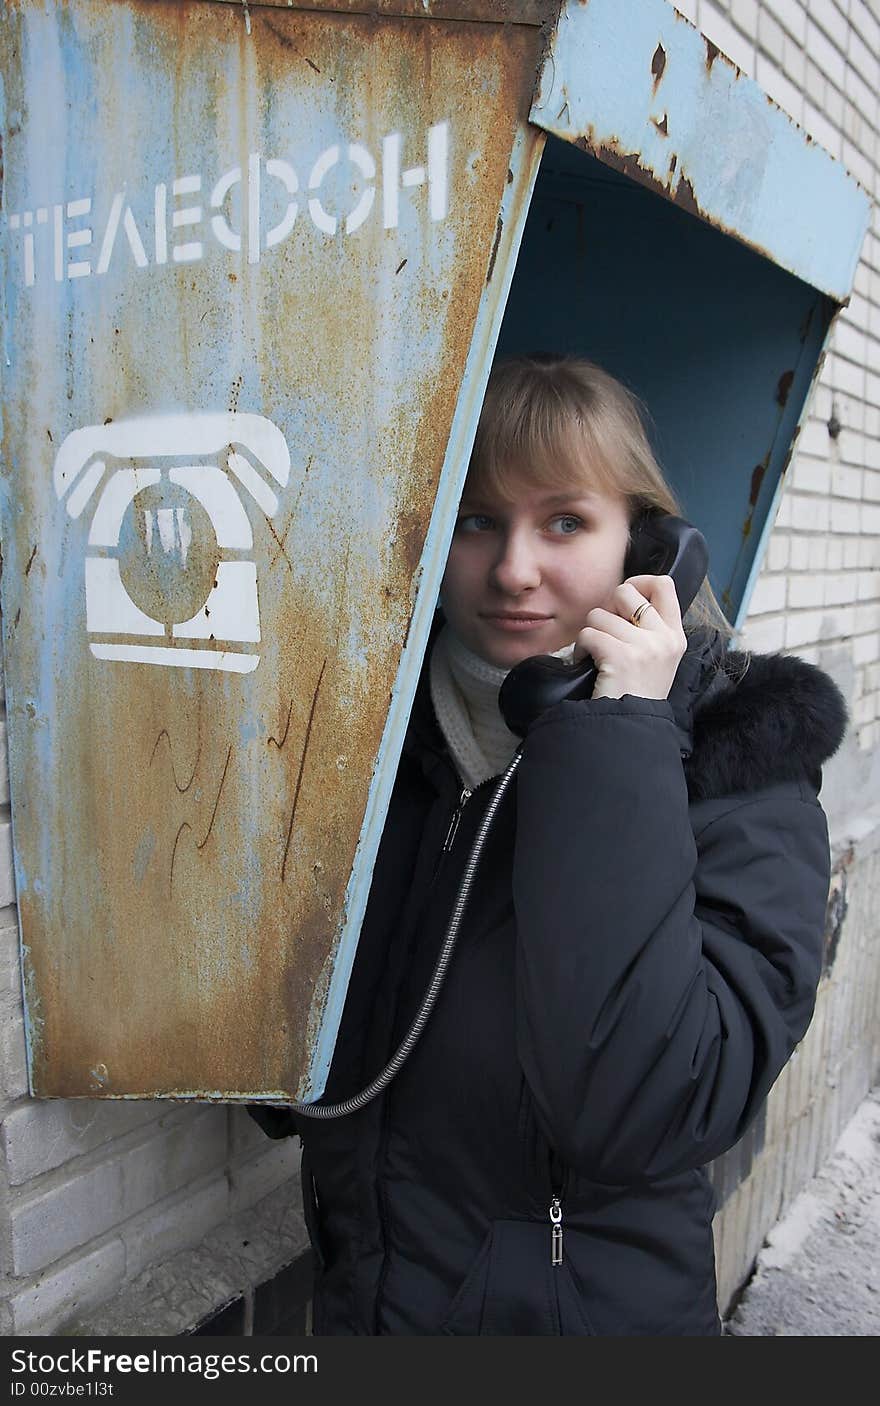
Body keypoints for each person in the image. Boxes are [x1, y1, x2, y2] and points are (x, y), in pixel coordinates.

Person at [251, 355, 846, 1335]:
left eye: (564, 521)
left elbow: (647, 1107)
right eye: (477, 518)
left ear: (648, 545)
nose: (514, 568)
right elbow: (297, 1080)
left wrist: (617, 736)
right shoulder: (373, 744)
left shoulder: (736, 762)